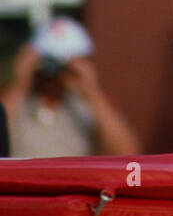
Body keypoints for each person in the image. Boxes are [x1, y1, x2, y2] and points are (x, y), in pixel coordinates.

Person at [0, 19, 139, 158]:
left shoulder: (88, 108)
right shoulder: (15, 101)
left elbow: (127, 154)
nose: (56, 71)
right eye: (49, 60)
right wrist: (20, 83)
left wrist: (92, 92)